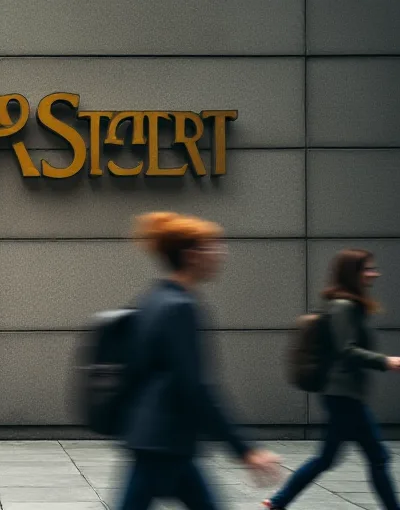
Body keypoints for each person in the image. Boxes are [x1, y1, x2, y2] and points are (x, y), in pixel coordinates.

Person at [118, 212, 281, 510]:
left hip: (155, 439)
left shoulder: (153, 299)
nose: (222, 253)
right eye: (214, 246)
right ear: (192, 255)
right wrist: (245, 450)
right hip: (166, 442)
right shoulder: (181, 307)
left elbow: (139, 371)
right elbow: (194, 386)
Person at [264, 249, 400, 510]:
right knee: (377, 456)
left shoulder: (350, 305)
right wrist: (384, 361)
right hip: (343, 394)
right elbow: (346, 349)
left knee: (327, 458)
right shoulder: (343, 306)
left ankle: (277, 502)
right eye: (368, 269)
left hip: (343, 394)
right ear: (352, 273)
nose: (374, 274)